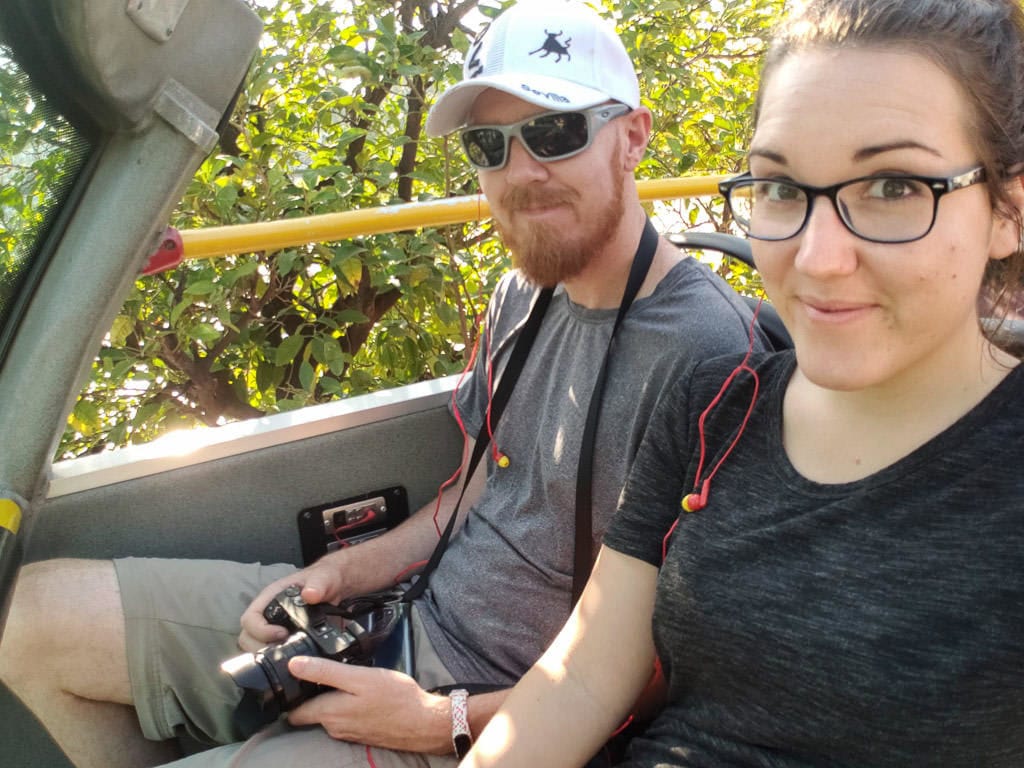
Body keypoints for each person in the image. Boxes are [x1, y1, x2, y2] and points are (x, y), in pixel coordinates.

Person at [0, 2, 767, 767]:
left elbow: (683, 672)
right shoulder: (520, 296)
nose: (521, 172)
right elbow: (461, 505)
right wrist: (336, 574)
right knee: (26, 617)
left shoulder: (708, 353)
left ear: (633, 138)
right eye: (488, 145)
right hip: (398, 622)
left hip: (499, 715)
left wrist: (445, 720)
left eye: (556, 131)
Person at [459, 0, 1024, 766]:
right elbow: (582, 682)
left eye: (891, 187)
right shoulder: (715, 406)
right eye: (782, 188)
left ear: (1007, 213)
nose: (817, 259)